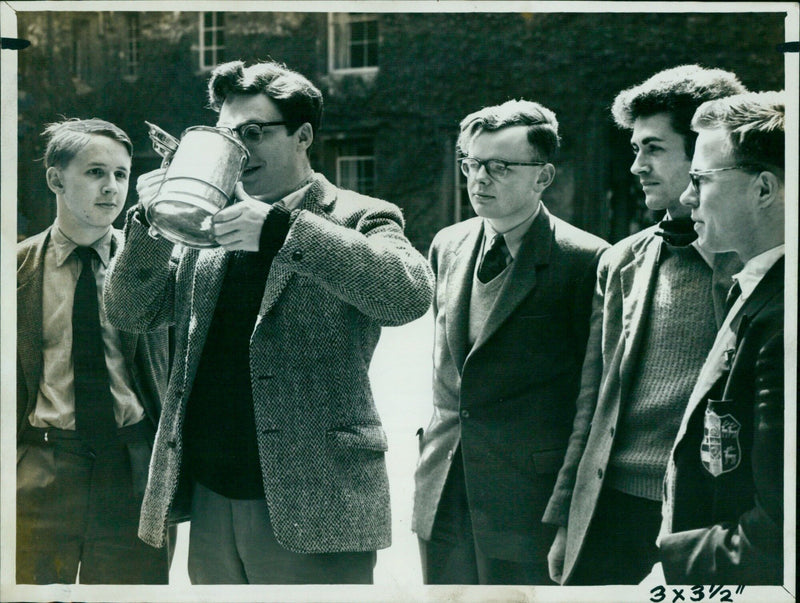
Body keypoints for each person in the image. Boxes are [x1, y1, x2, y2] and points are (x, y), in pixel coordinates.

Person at [103, 60, 434, 585]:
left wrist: (284, 230)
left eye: (254, 133)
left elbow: (407, 295)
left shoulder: (356, 214)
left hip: (313, 502)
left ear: (303, 135)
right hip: (212, 498)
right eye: (227, 134)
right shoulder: (207, 225)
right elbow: (131, 312)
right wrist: (148, 223)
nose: (238, 149)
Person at [542, 65, 746, 585]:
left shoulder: (756, 262)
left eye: (653, 149)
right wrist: (568, 516)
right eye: (635, 149)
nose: (636, 166)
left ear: (704, 151)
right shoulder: (622, 260)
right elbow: (592, 400)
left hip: (703, 516)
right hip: (608, 511)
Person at [411, 99, 609, 584]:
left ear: (543, 177)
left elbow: (592, 400)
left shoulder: (585, 259)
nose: (479, 179)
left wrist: (567, 507)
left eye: (499, 166)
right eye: (471, 163)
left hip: (527, 501)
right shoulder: (448, 244)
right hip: (443, 490)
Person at [16, 118, 172, 584]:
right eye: (95, 172)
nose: (112, 188)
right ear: (55, 178)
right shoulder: (16, 270)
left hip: (132, 470)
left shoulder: (156, 268)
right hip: (42, 471)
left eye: (121, 175)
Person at [655, 90, 785, 584]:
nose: (686, 198)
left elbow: (778, 533)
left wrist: (672, 568)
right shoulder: (762, 289)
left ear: (763, 188)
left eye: (700, 180)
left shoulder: (782, 316)